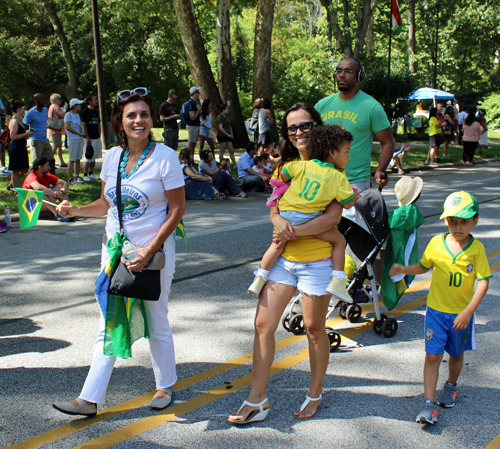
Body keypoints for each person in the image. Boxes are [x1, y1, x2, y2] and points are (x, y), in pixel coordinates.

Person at [53, 90, 185, 415]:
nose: (138, 120)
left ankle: (164, 386)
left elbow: (177, 210)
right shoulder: (112, 157)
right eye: (131, 115)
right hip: (114, 252)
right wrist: (76, 210)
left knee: (156, 318)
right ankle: (90, 398)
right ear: (120, 122)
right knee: (108, 320)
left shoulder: (165, 157)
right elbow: (106, 204)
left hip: (154, 255)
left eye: (144, 114)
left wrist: (149, 249)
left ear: (151, 120)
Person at [228, 102, 345, 424]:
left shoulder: (332, 166)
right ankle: (257, 399)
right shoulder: (287, 167)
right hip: (283, 259)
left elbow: (334, 216)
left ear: (317, 127)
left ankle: (315, 393)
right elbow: (274, 206)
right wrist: (276, 218)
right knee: (262, 325)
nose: (298, 133)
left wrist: (293, 231)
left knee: (313, 329)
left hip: (317, 261)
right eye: (291, 128)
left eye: (304, 125)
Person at [390, 191, 491, 425]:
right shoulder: (437, 243)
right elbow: (424, 266)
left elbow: (483, 281)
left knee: (456, 354)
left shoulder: (477, 250)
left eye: (465, 221)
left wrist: (468, 312)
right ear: (445, 220)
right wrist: (404, 269)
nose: (458, 227)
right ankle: (428, 405)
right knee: (433, 356)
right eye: (452, 221)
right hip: (435, 312)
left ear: (475, 221)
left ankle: (451, 385)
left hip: (461, 315)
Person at [247, 123, 357, 302]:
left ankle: (260, 277)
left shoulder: (302, 166)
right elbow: (347, 204)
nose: (348, 157)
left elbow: (283, 175)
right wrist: (355, 197)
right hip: (309, 218)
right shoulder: (338, 177)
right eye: (346, 151)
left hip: (287, 214)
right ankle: (338, 280)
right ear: (331, 152)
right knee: (339, 240)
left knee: (277, 244)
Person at [315, 57, 394, 192]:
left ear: (359, 76)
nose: (342, 75)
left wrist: (380, 170)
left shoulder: (371, 107)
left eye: (348, 71)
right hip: (322, 179)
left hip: (355, 183)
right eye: (339, 71)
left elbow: (388, 142)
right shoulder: (322, 105)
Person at [22, 157, 70, 221]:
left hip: (45, 203)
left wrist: (61, 192)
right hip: (32, 206)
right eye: (47, 165)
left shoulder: (47, 175)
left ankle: (67, 211)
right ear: (40, 167)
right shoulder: (31, 177)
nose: (49, 167)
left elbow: (65, 183)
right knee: (40, 194)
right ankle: (57, 214)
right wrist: (54, 193)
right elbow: (39, 189)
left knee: (60, 186)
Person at [23, 93, 56, 174]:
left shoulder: (45, 110)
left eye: (44, 99)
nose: (44, 101)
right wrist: (26, 135)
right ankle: (35, 180)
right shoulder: (30, 113)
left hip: (45, 139)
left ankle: (53, 180)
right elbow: (23, 125)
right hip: (36, 140)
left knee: (51, 160)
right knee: (37, 163)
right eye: (42, 100)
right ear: (36, 101)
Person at [6, 101, 34, 191]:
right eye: (23, 108)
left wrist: (27, 134)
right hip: (15, 146)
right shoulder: (14, 121)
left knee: (25, 169)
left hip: (22, 146)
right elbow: (13, 137)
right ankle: (16, 189)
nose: (25, 110)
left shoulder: (20, 120)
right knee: (16, 169)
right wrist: (27, 133)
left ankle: (12, 184)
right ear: (18, 109)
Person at [64, 98, 86, 184]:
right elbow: (68, 127)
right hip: (73, 139)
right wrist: (78, 133)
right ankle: (70, 178)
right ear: (74, 106)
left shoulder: (77, 115)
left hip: (79, 138)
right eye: (79, 104)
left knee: (78, 159)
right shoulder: (68, 115)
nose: (80, 106)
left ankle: (77, 177)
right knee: (72, 159)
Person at [81, 95, 102, 181]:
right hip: (89, 138)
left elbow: (98, 123)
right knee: (87, 156)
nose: (96, 101)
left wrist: (99, 133)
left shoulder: (95, 112)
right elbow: (83, 125)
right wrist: (87, 137)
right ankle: (85, 174)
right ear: (89, 101)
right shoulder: (85, 111)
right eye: (94, 100)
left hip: (96, 137)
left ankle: (91, 173)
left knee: (94, 156)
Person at [47, 93, 67, 168]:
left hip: (54, 128)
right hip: (56, 128)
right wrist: (64, 109)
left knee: (59, 145)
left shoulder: (51, 106)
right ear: (55, 100)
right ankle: (49, 161)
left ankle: (61, 161)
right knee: (56, 145)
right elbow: (62, 115)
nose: (60, 100)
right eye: (59, 99)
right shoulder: (56, 106)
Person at [183, 87, 201, 153]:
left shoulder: (193, 102)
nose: (199, 94)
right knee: (191, 144)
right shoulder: (191, 103)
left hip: (195, 126)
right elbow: (192, 117)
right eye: (198, 92)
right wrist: (198, 110)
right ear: (194, 93)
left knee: (193, 144)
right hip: (192, 126)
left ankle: (191, 160)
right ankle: (187, 158)